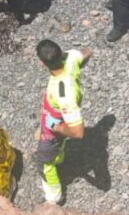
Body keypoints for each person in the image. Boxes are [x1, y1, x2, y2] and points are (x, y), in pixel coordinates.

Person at [33, 39, 91, 205]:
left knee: (44, 164)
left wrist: (55, 125)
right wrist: (78, 66)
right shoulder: (71, 58)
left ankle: (54, 196)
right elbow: (87, 51)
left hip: (53, 131)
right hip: (59, 121)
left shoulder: (63, 93)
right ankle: (59, 159)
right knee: (60, 144)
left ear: (42, 63)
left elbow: (78, 133)